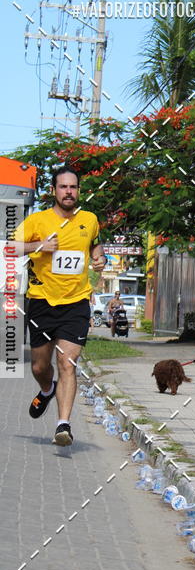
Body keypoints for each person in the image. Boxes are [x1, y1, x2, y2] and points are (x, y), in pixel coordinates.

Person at [14, 165, 106, 447]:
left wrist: (100, 260)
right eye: (64, 187)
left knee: (67, 362)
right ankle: (46, 389)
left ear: (79, 191)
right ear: (53, 191)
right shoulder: (37, 221)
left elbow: (95, 247)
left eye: (74, 187)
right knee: (41, 367)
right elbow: (9, 247)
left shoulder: (89, 219)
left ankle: (62, 424)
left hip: (76, 302)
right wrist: (39, 246)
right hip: (42, 302)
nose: (69, 192)